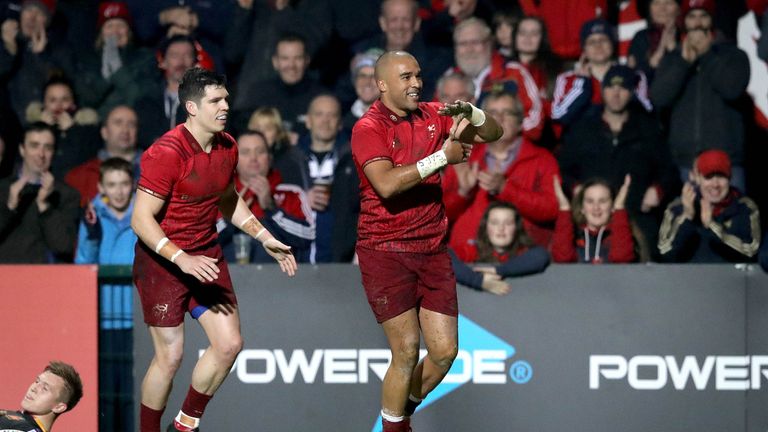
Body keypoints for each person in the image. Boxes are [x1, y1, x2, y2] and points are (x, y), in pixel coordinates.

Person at [130, 67, 297, 432]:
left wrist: (263, 235)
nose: (225, 106)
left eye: (226, 98)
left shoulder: (227, 146)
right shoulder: (166, 153)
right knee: (170, 358)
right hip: (164, 263)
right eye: (215, 101)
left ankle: (184, 426)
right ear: (191, 107)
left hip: (205, 256)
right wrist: (181, 258)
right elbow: (141, 220)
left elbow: (226, 198)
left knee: (229, 344)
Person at [351, 50, 502, 432]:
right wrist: (442, 158)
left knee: (445, 352)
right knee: (405, 352)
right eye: (405, 77)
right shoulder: (368, 128)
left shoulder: (436, 114)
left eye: (418, 75)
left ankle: (400, 416)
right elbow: (385, 185)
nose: (416, 83)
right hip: (385, 251)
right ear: (382, 84)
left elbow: (494, 133)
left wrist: (473, 113)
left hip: (432, 250)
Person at [558, 64, 679, 259]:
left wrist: (657, 191)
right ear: (603, 90)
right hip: (592, 220)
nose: (616, 93)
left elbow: (669, 172)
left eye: (622, 88)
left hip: (636, 216)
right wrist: (575, 188)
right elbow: (563, 169)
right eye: (610, 87)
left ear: (631, 92)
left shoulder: (648, 129)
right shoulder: (583, 128)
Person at [649, 0, 751, 191]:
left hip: (725, 162)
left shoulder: (733, 55)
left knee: (732, 219)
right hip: (685, 163)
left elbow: (732, 89)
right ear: (684, 21)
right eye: (692, 16)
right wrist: (683, 64)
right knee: (686, 219)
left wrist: (707, 55)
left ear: (712, 20)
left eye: (703, 16)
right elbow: (659, 98)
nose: (697, 23)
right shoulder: (673, 60)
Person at [443, 90, 559, 249]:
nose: (499, 118)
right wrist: (462, 193)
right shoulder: (463, 156)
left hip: (523, 256)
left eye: (508, 113)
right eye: (492, 113)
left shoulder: (542, 159)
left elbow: (552, 209)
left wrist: (505, 189)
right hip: (469, 255)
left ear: (520, 122)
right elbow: (437, 216)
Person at [74, 157, 136, 432]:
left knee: (135, 397)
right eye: (112, 185)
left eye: (124, 183)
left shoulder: (147, 213)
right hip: (103, 321)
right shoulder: (92, 216)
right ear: (101, 187)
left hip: (139, 320)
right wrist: (91, 233)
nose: (119, 191)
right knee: (107, 399)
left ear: (133, 184)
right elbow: (82, 265)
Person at [218, 130, 314, 263]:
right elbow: (200, 242)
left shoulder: (291, 193)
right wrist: (231, 215)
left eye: (260, 151)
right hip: (231, 280)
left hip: (281, 280)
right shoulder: (216, 196)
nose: (253, 158)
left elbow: (308, 236)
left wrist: (271, 208)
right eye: (245, 152)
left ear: (269, 158)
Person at [448, 17, 544, 140]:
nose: (469, 49)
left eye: (475, 42)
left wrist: (506, 137)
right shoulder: (449, 78)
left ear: (489, 43)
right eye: (463, 44)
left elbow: (535, 120)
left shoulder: (514, 73)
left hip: (509, 151)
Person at [552, 18, 652, 136]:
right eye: (592, 42)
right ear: (584, 49)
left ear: (612, 44)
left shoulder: (635, 75)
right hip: (582, 144)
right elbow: (558, 115)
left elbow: (647, 111)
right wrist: (581, 86)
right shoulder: (567, 79)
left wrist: (627, 80)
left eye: (603, 40)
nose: (598, 46)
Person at [658, 149, 761, 263]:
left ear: (730, 178)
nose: (715, 184)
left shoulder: (744, 208)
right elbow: (665, 254)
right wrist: (687, 217)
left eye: (721, 176)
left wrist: (712, 226)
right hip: (687, 278)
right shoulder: (676, 208)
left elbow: (751, 252)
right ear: (697, 178)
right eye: (709, 176)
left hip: (729, 278)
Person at [0, 122, 80, 263]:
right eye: (34, 145)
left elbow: (63, 246)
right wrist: (9, 208)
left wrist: (45, 206)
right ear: (22, 149)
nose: (41, 154)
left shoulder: (66, 195)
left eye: (47, 147)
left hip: (46, 279)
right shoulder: (3, 189)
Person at [231, 33, 327, 137]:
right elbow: (241, 129)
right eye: (285, 58)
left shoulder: (322, 98)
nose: (291, 65)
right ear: (275, 62)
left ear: (307, 60)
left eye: (298, 58)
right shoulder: (258, 94)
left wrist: (303, 141)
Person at [450, 201, 550, 295]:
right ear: (486, 227)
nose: (501, 228)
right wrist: (479, 281)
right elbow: (443, 255)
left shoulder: (522, 252)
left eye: (508, 223)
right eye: (494, 222)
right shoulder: (473, 250)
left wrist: (499, 270)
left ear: (517, 227)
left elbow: (541, 256)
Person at [26, 75, 101, 179]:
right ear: (44, 104)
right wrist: (43, 128)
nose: (59, 105)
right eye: (52, 100)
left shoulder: (88, 129)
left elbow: (88, 160)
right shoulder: (29, 130)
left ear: (73, 104)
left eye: (65, 99)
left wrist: (72, 130)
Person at [65, 105, 141, 207]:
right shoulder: (80, 176)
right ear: (104, 132)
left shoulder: (156, 170)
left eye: (131, 124)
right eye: (118, 123)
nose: (125, 130)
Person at [552, 175, 637, 263]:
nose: (596, 207)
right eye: (590, 201)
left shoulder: (623, 235)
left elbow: (622, 259)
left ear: (612, 206)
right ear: (582, 207)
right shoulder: (573, 235)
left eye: (602, 201)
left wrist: (619, 208)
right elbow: (563, 258)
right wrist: (564, 208)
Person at [134, 35, 197, 149]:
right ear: (162, 62)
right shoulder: (147, 101)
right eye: (174, 55)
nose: (181, 61)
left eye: (187, 55)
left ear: (194, 63)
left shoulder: (205, 102)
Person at [0, 361, 83, 432]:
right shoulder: (8, 416)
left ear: (58, 407)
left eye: (45, 388)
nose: (34, 388)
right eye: (37, 381)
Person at [247, 107, 307, 187]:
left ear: (277, 133)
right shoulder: (239, 157)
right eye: (257, 128)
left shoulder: (290, 160)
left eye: (268, 128)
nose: (261, 133)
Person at [627, 0, 680, 83]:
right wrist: (660, 51)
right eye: (656, 3)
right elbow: (635, 76)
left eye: (668, 3)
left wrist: (674, 49)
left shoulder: (687, 36)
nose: (662, 8)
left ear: (678, 9)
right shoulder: (641, 38)